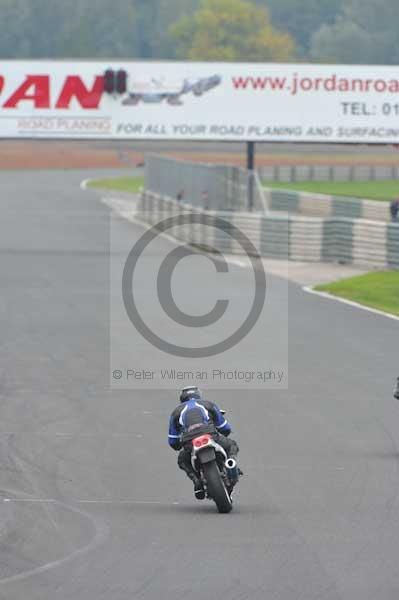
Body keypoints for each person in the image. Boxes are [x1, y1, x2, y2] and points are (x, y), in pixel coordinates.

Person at [168, 386, 239, 499]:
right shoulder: (208, 404)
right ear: (198, 394)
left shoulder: (176, 412)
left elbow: (172, 441)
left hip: (190, 441)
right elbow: (225, 428)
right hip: (210, 435)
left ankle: (196, 481)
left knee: (182, 460)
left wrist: (180, 444)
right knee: (231, 445)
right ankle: (231, 463)